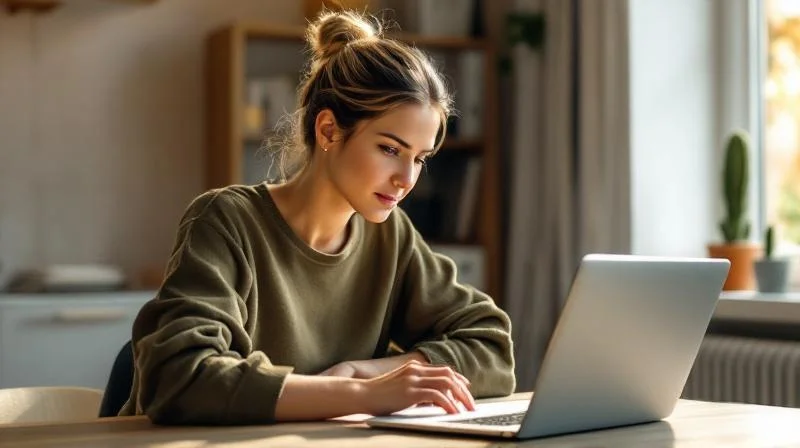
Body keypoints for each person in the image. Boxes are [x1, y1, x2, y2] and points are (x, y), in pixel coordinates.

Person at [119, 10, 515, 425]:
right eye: (390, 149)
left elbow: (491, 348)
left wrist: (366, 373)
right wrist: (363, 394)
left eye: (419, 159)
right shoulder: (226, 220)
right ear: (328, 130)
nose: (406, 179)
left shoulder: (391, 236)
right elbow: (181, 377)